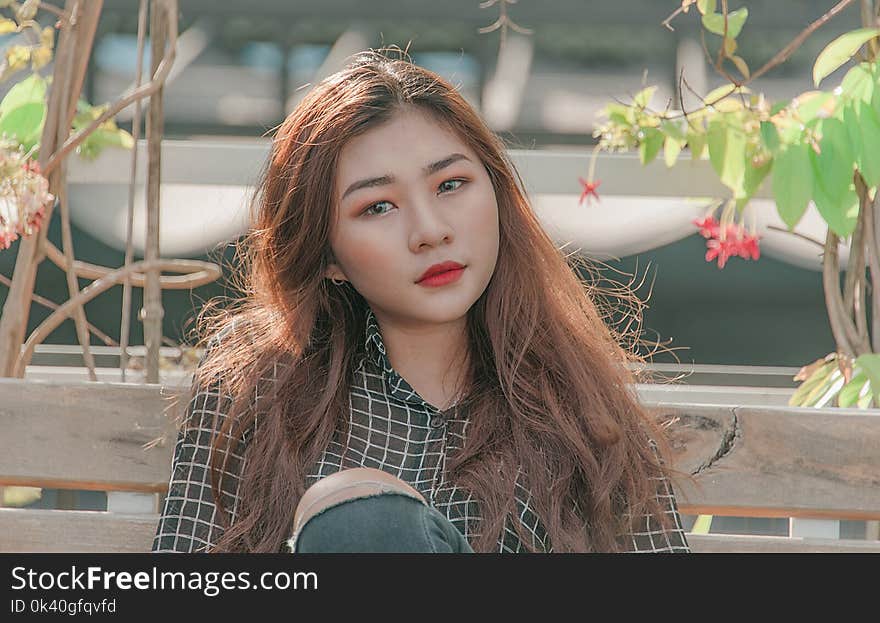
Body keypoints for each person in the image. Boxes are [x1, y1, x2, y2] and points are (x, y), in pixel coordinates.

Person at [151, 47, 692, 554]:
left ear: (498, 195)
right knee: (362, 524)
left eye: (451, 185)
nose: (430, 232)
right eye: (378, 207)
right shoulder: (257, 382)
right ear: (328, 254)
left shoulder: (574, 394)